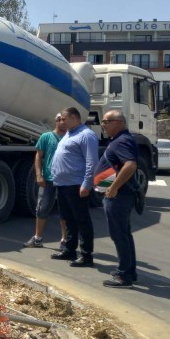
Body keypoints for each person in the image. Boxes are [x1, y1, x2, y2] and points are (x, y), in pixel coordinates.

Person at [49, 107, 99, 267]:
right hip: (62, 184)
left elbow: (92, 162)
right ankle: (70, 249)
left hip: (76, 184)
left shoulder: (86, 135)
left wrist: (87, 184)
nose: (61, 122)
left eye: (64, 119)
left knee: (82, 220)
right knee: (67, 218)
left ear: (74, 118)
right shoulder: (69, 134)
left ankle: (86, 255)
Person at [97, 111, 139, 287]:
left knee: (119, 234)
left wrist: (113, 187)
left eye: (107, 121)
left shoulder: (122, 141)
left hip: (118, 196)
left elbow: (130, 165)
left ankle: (124, 276)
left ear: (119, 122)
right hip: (118, 195)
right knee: (124, 234)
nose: (103, 125)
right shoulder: (120, 140)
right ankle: (129, 270)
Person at [24, 114, 68, 249]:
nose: (62, 122)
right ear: (55, 121)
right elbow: (39, 156)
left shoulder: (71, 137)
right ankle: (38, 238)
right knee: (42, 209)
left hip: (65, 180)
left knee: (64, 211)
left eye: (64, 119)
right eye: (59, 119)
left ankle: (65, 240)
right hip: (48, 179)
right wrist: (38, 174)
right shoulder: (46, 137)